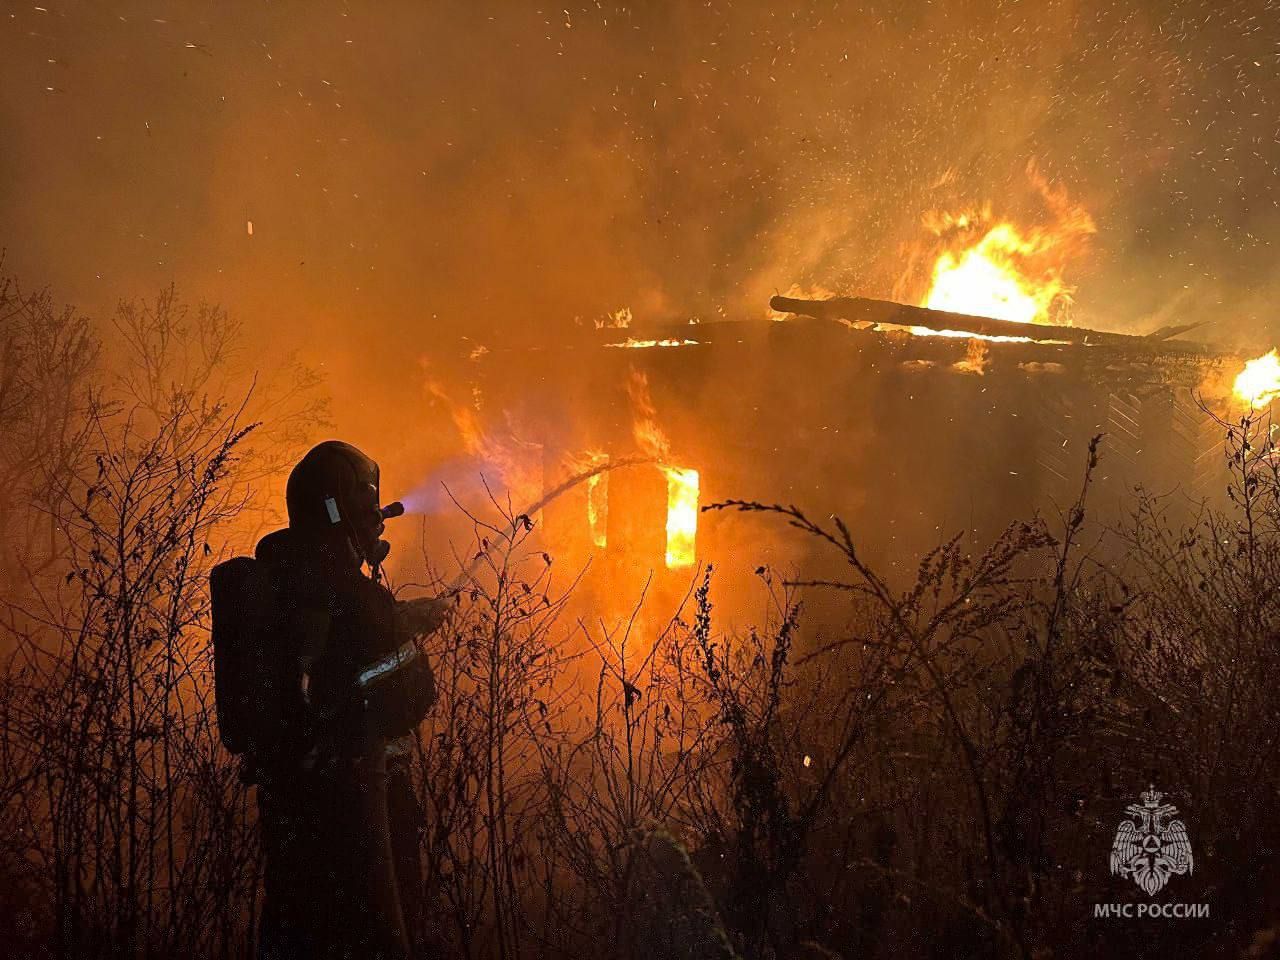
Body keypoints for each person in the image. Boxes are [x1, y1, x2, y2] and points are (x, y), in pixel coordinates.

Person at [244, 440, 446, 959]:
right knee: (379, 935)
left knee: (298, 932)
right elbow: (412, 695)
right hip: (360, 809)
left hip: (293, 810)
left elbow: (334, 671)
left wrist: (396, 622)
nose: (378, 518)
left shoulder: (280, 580)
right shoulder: (354, 597)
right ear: (341, 510)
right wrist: (400, 630)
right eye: (369, 506)